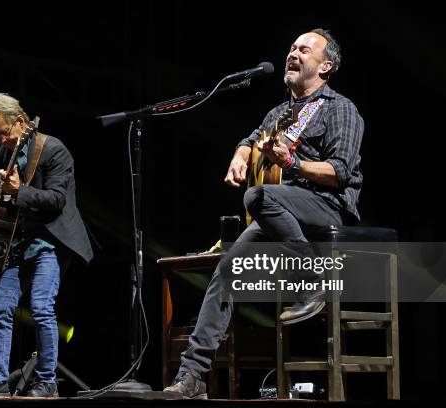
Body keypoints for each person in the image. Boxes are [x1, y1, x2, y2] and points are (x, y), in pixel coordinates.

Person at [164, 29, 364, 399]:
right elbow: (251, 139)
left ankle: (312, 273)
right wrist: (241, 153)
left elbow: (340, 173)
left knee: (257, 196)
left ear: (326, 66)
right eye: (292, 47)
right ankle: (193, 376)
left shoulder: (340, 108)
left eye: (305, 49)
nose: (294, 53)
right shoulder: (280, 113)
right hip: (280, 209)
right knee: (226, 271)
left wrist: (294, 162)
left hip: (326, 207)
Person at [0, 93, 94, 397]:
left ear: (20, 122)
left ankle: (47, 382)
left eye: (2, 133)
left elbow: (57, 199)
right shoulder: (3, 152)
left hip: (51, 241)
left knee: (41, 308)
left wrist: (19, 190)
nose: (0, 140)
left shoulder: (53, 149)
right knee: (0, 307)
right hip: (18, 241)